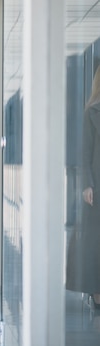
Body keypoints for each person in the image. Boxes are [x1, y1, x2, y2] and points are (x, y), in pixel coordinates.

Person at [74, 68, 100, 307]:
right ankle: (95, 292)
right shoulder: (91, 112)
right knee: (95, 241)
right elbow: (84, 152)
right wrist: (87, 185)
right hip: (98, 187)